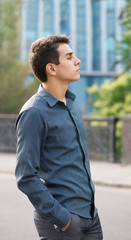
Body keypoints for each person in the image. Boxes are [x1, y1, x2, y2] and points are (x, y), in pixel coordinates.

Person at [15, 34, 103, 240]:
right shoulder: (34, 112)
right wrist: (62, 219)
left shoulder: (71, 104)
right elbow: (25, 176)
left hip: (90, 215)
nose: (77, 60)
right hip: (64, 223)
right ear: (51, 68)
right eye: (69, 57)